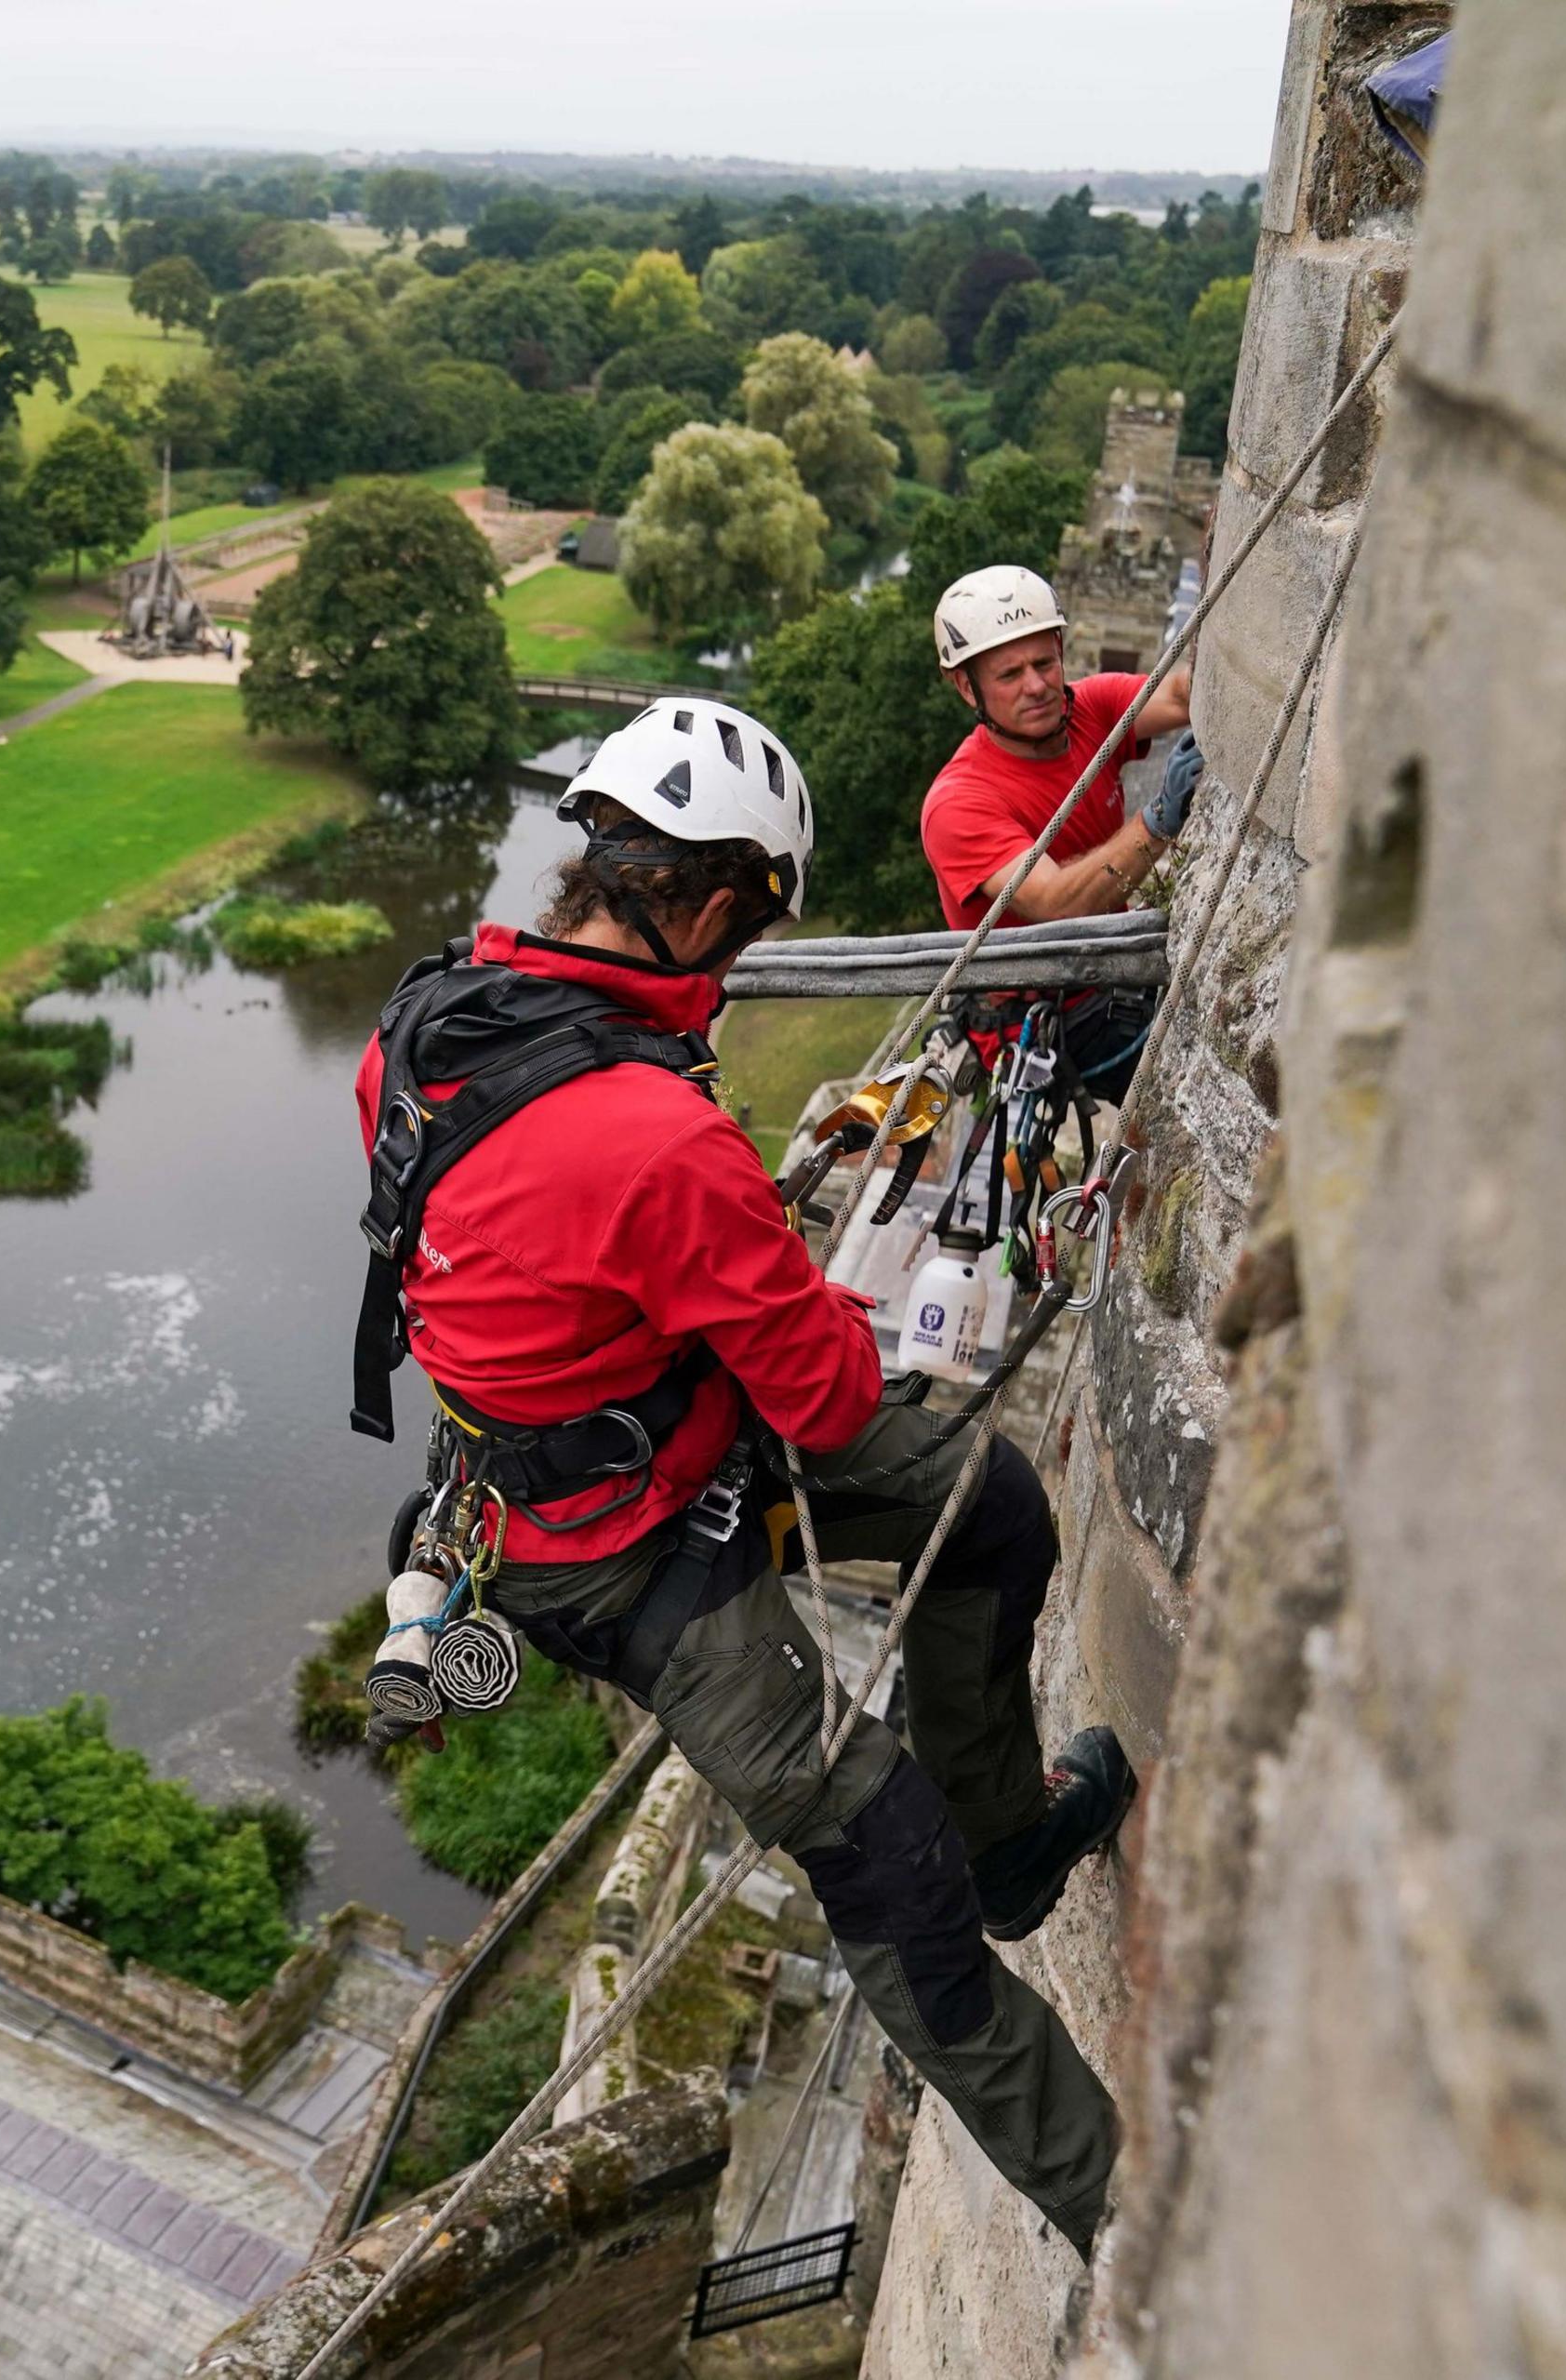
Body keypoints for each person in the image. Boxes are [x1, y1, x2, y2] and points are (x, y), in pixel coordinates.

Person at [350, 698, 1133, 2254]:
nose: (728, 969)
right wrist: (767, 1271)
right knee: (883, 1863)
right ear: (707, 907)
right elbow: (831, 1391)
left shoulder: (428, 1023)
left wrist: (697, 1276)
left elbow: (513, 1257)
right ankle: (1130, 2208)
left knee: (988, 1504)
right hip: (623, 1558)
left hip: (626, 1442)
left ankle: (1015, 1844)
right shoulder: (653, 1133)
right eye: (741, 933)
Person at [922, 565, 1206, 1103]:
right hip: (1054, 1016)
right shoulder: (959, 802)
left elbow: (1178, 694)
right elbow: (1055, 902)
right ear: (966, 687)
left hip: (1113, 972)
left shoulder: (1089, 711)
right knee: (1191, 1091)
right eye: (1009, 675)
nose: (1037, 686)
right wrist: (1160, 817)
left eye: (1045, 663)